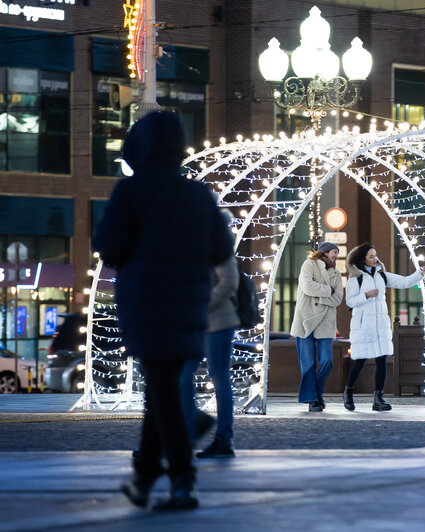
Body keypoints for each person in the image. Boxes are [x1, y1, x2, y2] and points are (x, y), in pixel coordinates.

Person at [93, 111, 233, 511]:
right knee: (162, 395)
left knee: (165, 399)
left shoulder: (131, 192)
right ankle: (144, 480)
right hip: (191, 311)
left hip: (147, 309)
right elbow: (222, 250)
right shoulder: (198, 194)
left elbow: (109, 248)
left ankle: (183, 484)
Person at [179, 209, 240, 458]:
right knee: (183, 376)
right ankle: (195, 424)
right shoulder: (198, 247)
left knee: (219, 376)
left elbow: (229, 282)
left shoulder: (220, 248)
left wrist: (203, 305)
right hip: (197, 322)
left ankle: (224, 437)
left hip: (218, 321)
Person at [344, 242, 425, 411]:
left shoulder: (382, 276)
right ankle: (348, 392)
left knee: (381, 361)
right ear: (363, 259)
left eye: (375, 255)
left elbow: (404, 282)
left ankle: (378, 398)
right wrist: (366, 295)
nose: (375, 259)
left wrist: (420, 273)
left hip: (380, 326)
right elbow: (350, 301)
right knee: (359, 361)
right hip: (363, 327)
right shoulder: (356, 279)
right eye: (371, 256)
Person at [290, 241, 343, 412]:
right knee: (308, 363)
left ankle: (316, 392)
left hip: (326, 322)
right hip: (306, 319)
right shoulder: (309, 264)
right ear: (325, 252)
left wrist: (319, 295)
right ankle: (312, 398)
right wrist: (328, 291)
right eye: (334, 251)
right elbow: (307, 286)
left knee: (327, 361)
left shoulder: (336, 273)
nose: (336, 255)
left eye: (337, 252)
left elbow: (338, 299)